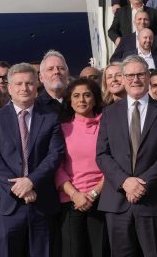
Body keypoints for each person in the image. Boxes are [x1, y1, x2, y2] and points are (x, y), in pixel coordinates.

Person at [96, 55, 157, 257]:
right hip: (118, 202)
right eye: (130, 75)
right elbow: (102, 154)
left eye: (141, 74)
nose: (135, 79)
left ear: (149, 77)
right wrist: (125, 182)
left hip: (154, 200)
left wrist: (143, 183)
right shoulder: (109, 113)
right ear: (123, 79)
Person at [0, 63, 65, 257]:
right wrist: (19, 186)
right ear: (9, 88)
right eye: (18, 84)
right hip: (8, 204)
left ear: (37, 86)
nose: (24, 88)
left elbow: (55, 154)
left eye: (29, 83)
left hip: (42, 202)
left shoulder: (50, 117)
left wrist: (31, 181)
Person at [55, 78, 108, 257]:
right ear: (69, 100)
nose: (81, 100)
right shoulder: (62, 128)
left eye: (87, 95)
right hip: (71, 200)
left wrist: (94, 193)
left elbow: (114, 162)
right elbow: (57, 166)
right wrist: (75, 195)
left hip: (101, 198)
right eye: (76, 96)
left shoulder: (108, 124)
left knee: (99, 251)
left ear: (95, 98)